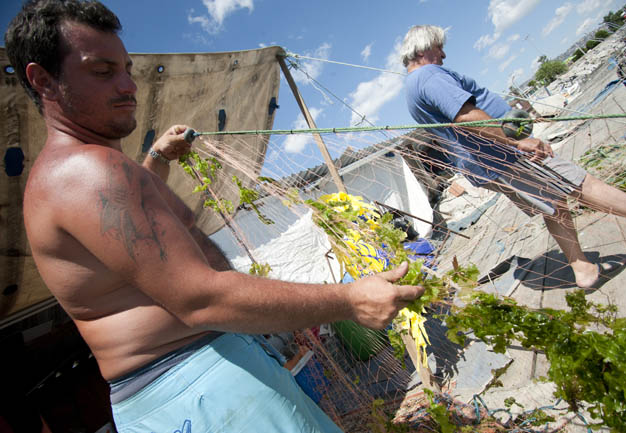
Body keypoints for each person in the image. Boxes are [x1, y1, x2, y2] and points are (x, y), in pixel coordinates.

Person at [5, 1, 425, 431]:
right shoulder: (86, 171)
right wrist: (350, 300)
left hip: (193, 383)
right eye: (102, 71)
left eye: (127, 69)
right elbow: (200, 298)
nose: (129, 85)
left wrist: (156, 158)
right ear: (44, 80)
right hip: (195, 386)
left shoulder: (89, 174)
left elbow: (137, 241)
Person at [401, 24, 626, 289]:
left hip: (489, 160)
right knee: (581, 183)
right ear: (423, 49)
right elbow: (466, 116)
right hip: (503, 153)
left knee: (553, 203)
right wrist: (517, 141)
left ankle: (583, 268)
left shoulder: (412, 88)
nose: (443, 55)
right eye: (439, 47)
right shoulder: (428, 76)